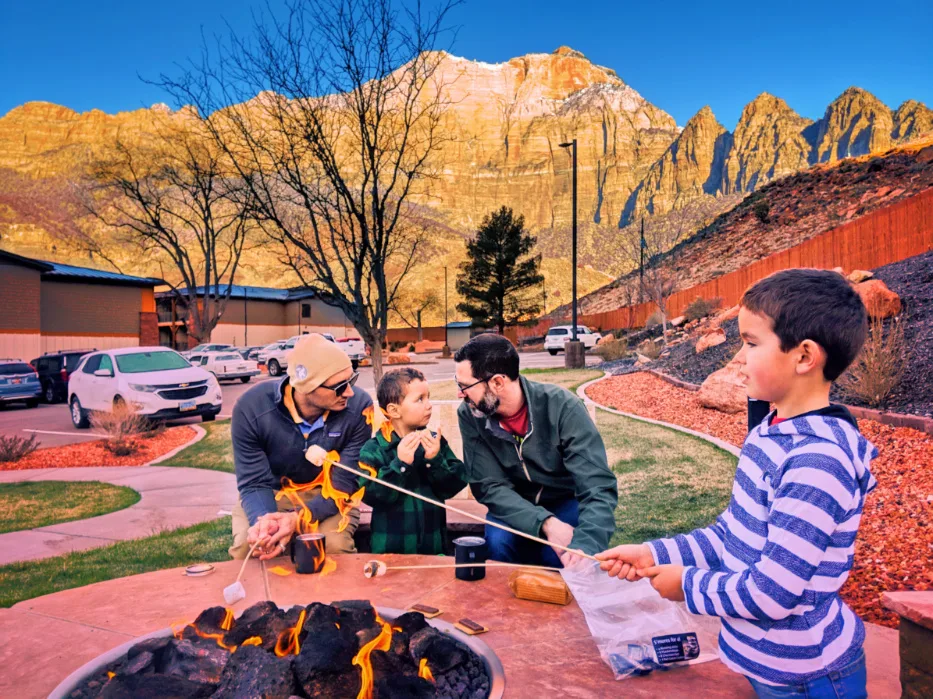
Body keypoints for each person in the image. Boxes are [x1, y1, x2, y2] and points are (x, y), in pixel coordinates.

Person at [597, 269, 878, 698]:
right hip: (768, 666)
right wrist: (654, 552)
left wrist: (686, 585)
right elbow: (733, 533)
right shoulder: (771, 431)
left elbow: (772, 593)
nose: (738, 357)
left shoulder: (817, 463)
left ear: (804, 357)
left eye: (750, 343)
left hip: (809, 678)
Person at [455, 334, 618, 568]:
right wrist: (547, 523)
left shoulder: (563, 407)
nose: (461, 394)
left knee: (563, 557)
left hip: (565, 501)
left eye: (465, 386)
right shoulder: (470, 414)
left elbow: (597, 487)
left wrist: (587, 545)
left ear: (498, 383)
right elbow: (489, 486)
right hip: (511, 504)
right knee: (499, 546)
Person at [228, 333, 373, 560]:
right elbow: (254, 482)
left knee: (334, 549)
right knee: (252, 548)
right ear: (307, 387)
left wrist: (297, 519)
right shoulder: (251, 408)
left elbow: (345, 483)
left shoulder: (360, 408)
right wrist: (267, 524)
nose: (350, 392)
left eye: (351, 380)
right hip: (272, 493)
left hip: (329, 496)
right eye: (340, 386)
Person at [358, 368, 467, 554]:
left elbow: (453, 486)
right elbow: (371, 496)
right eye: (420, 399)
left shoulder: (433, 441)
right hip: (390, 553)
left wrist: (435, 460)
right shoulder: (374, 448)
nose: (429, 405)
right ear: (394, 410)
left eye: (428, 397)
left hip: (433, 550)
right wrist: (400, 464)